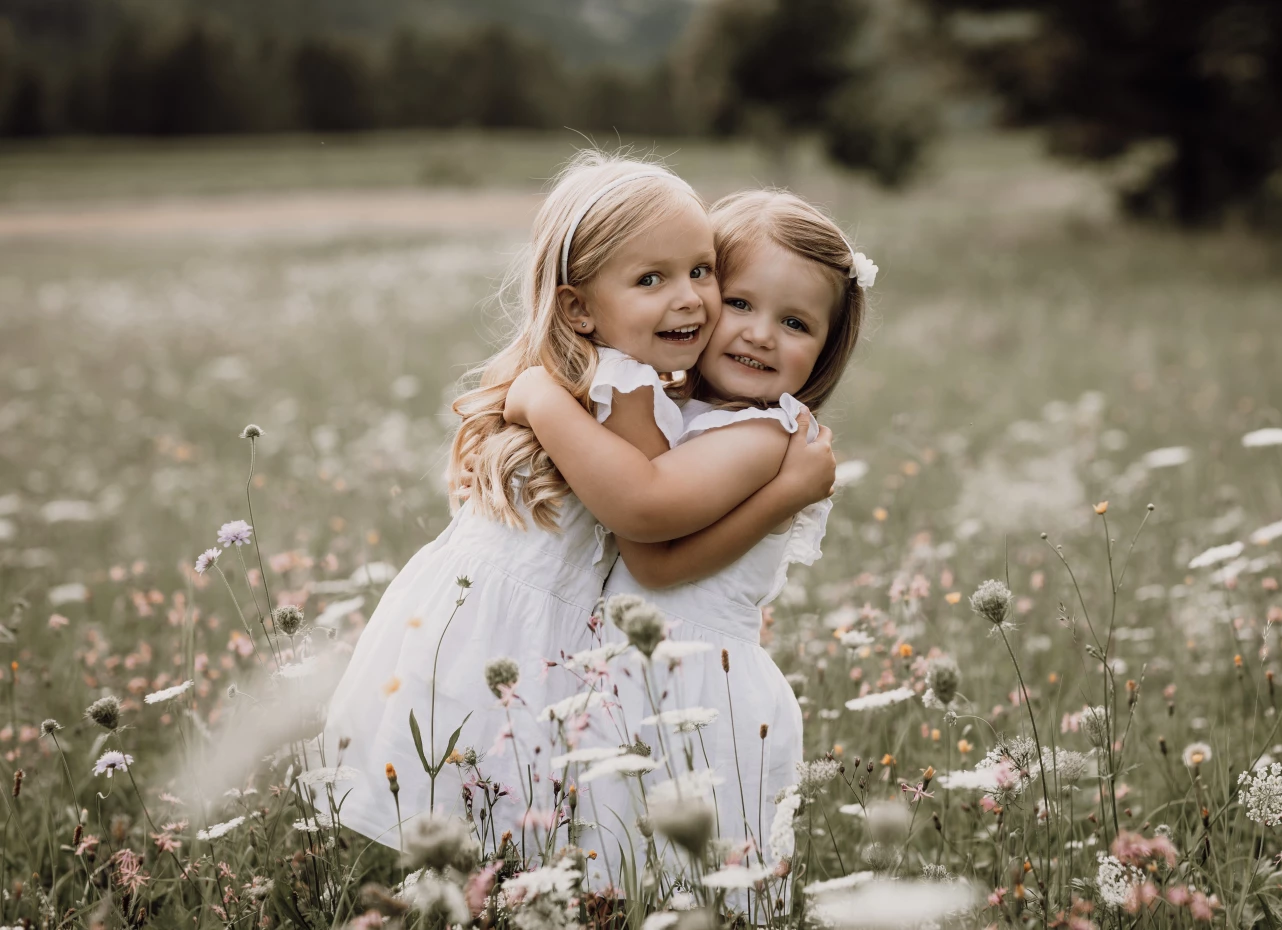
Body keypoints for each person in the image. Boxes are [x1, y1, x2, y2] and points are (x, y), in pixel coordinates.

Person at [316, 153, 836, 862]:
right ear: (578, 306)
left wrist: (536, 395)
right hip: (513, 638)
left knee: (511, 847)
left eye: (700, 272)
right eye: (652, 278)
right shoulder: (619, 385)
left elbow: (649, 528)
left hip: (503, 634)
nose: (689, 299)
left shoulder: (618, 387)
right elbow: (646, 515)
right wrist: (539, 397)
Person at [504, 189, 871, 895]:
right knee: (617, 882)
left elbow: (653, 553)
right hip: (638, 678)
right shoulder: (680, 409)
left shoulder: (763, 437)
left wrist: (788, 495)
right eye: (739, 302)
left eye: (795, 323)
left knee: (692, 890)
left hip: (700, 689)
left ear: (826, 349)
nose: (761, 334)